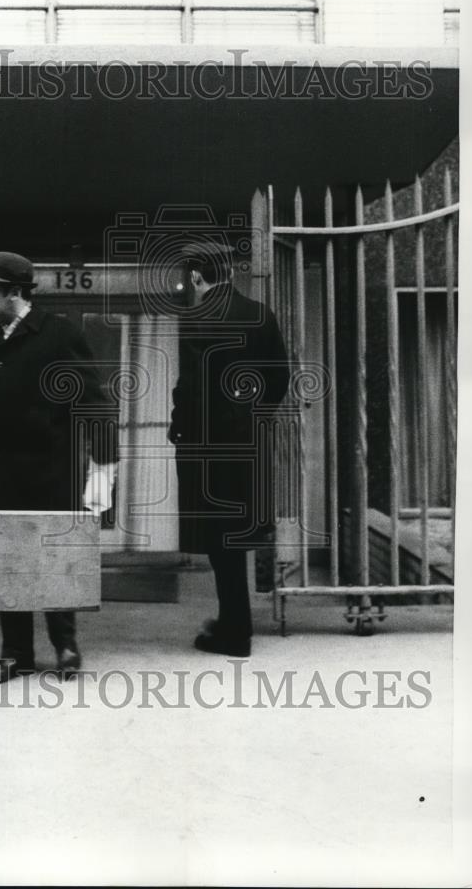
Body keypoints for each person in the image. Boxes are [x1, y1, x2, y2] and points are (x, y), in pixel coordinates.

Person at [0, 251, 117, 685]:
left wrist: (103, 469)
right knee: (7, 564)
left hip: (50, 474)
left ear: (14, 292)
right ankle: (15, 653)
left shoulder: (59, 336)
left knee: (54, 561)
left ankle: (65, 646)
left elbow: (96, 407)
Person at [169, 238, 289, 658]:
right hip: (250, 445)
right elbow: (280, 379)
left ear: (198, 277)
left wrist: (179, 433)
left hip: (211, 450)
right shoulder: (261, 315)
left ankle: (236, 633)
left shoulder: (196, 318)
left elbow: (192, 389)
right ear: (233, 273)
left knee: (222, 543)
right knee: (237, 539)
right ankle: (234, 620)